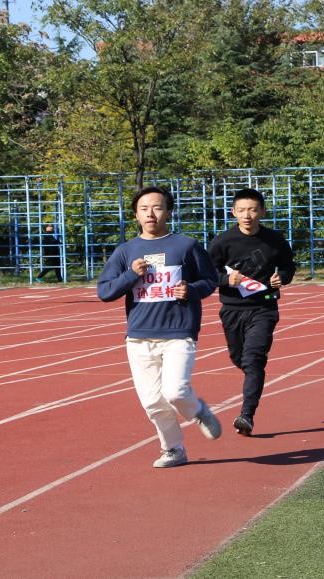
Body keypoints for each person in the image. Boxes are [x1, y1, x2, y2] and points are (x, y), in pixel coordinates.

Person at [96, 185, 222, 468]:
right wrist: (131, 275)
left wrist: (191, 290)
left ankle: (198, 411)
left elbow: (210, 280)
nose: (150, 213)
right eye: (143, 209)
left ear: (169, 212)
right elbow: (105, 291)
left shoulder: (186, 246)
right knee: (153, 402)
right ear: (136, 215)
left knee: (175, 391)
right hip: (139, 337)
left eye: (157, 207)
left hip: (178, 332)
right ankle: (173, 450)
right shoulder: (126, 251)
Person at [208, 188, 296, 437]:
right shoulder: (222, 242)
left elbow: (288, 266)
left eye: (253, 210)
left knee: (254, 358)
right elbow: (207, 274)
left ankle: (246, 415)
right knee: (240, 359)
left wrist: (282, 277)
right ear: (233, 212)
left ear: (262, 211)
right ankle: (252, 376)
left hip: (264, 307)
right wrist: (226, 279)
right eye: (242, 210)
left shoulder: (274, 239)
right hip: (232, 309)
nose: (247, 215)